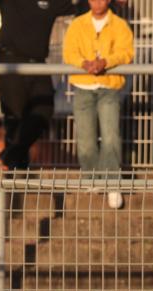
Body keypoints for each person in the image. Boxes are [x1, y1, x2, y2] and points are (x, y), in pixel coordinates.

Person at [63, 0, 133, 209]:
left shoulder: (119, 25)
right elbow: (69, 53)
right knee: (85, 138)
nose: (98, 2)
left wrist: (105, 62)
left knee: (111, 135)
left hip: (108, 86)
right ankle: (92, 178)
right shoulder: (77, 24)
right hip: (83, 85)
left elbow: (126, 52)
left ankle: (112, 183)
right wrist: (85, 63)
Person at [0, 0, 79, 169]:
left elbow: (83, 6)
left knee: (45, 108)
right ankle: (15, 171)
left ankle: (9, 156)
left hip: (37, 63)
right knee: (15, 116)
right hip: (10, 61)